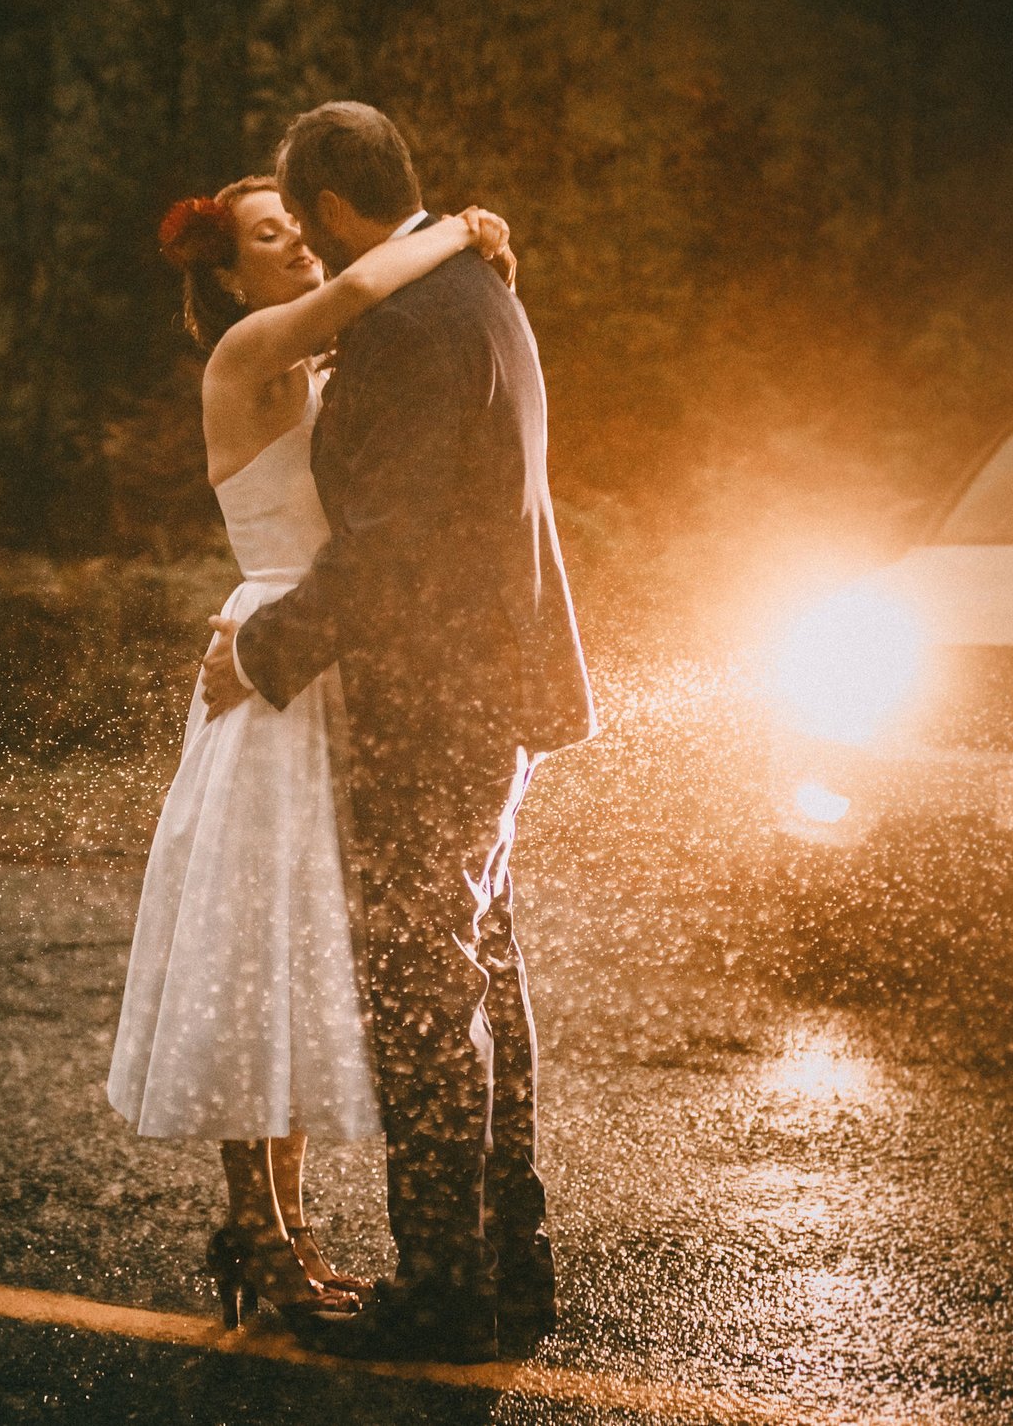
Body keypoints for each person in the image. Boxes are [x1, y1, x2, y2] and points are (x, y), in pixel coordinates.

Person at [198, 102, 598, 1363]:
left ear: (324, 208)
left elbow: (388, 552)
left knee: (426, 994)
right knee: (482, 975)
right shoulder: (478, 289)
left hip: (439, 699)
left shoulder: (411, 328)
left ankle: (446, 1295)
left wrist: (260, 651)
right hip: (490, 685)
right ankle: (506, 1268)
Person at [107, 173, 514, 1340]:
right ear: (230, 272)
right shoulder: (244, 352)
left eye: (301, 227)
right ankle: (255, 1228)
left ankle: (289, 1227)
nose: (297, 249)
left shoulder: (332, 366)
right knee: (256, 946)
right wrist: (456, 231)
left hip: (330, 659)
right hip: (270, 664)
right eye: (271, 236)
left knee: (305, 953)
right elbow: (369, 278)